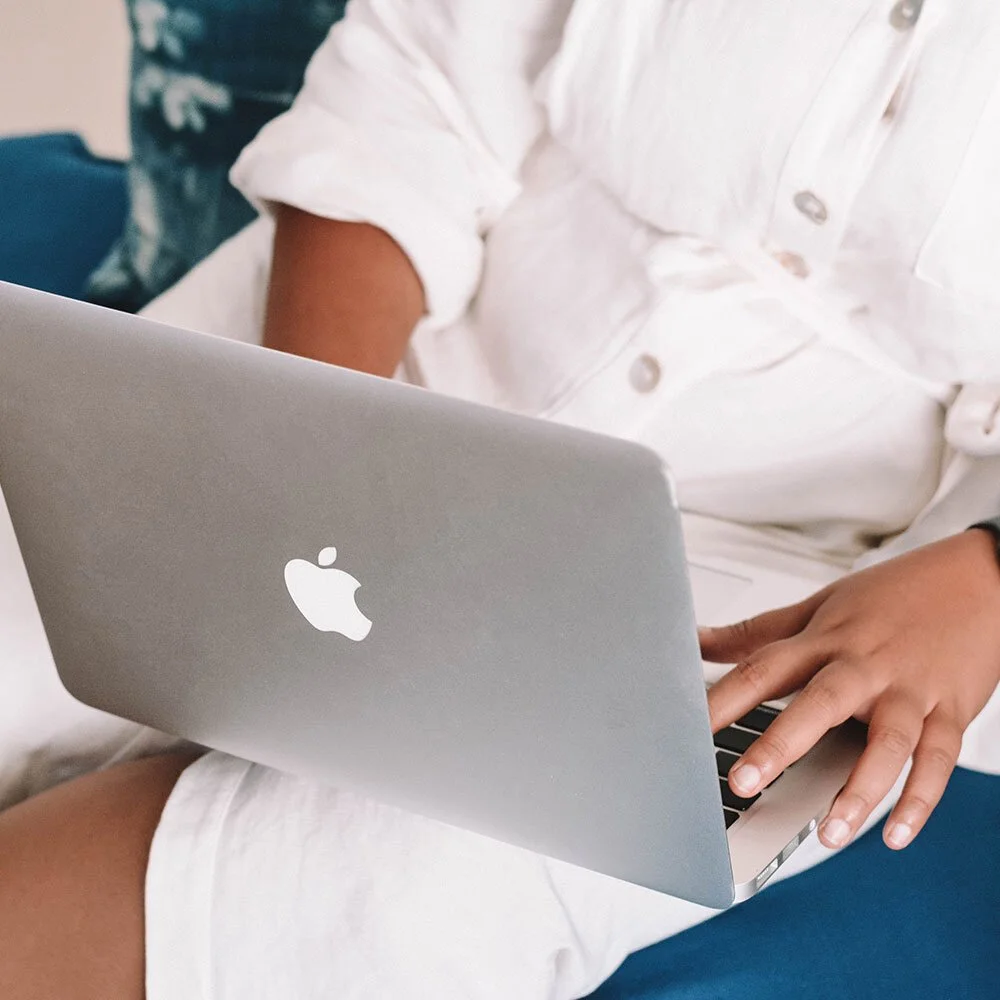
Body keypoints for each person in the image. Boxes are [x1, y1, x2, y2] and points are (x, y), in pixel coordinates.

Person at [2, 1, 1000, 996]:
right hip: (380, 370)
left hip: (767, 600)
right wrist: (305, 446)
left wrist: (984, 573)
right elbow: (409, 92)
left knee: (383, 883)